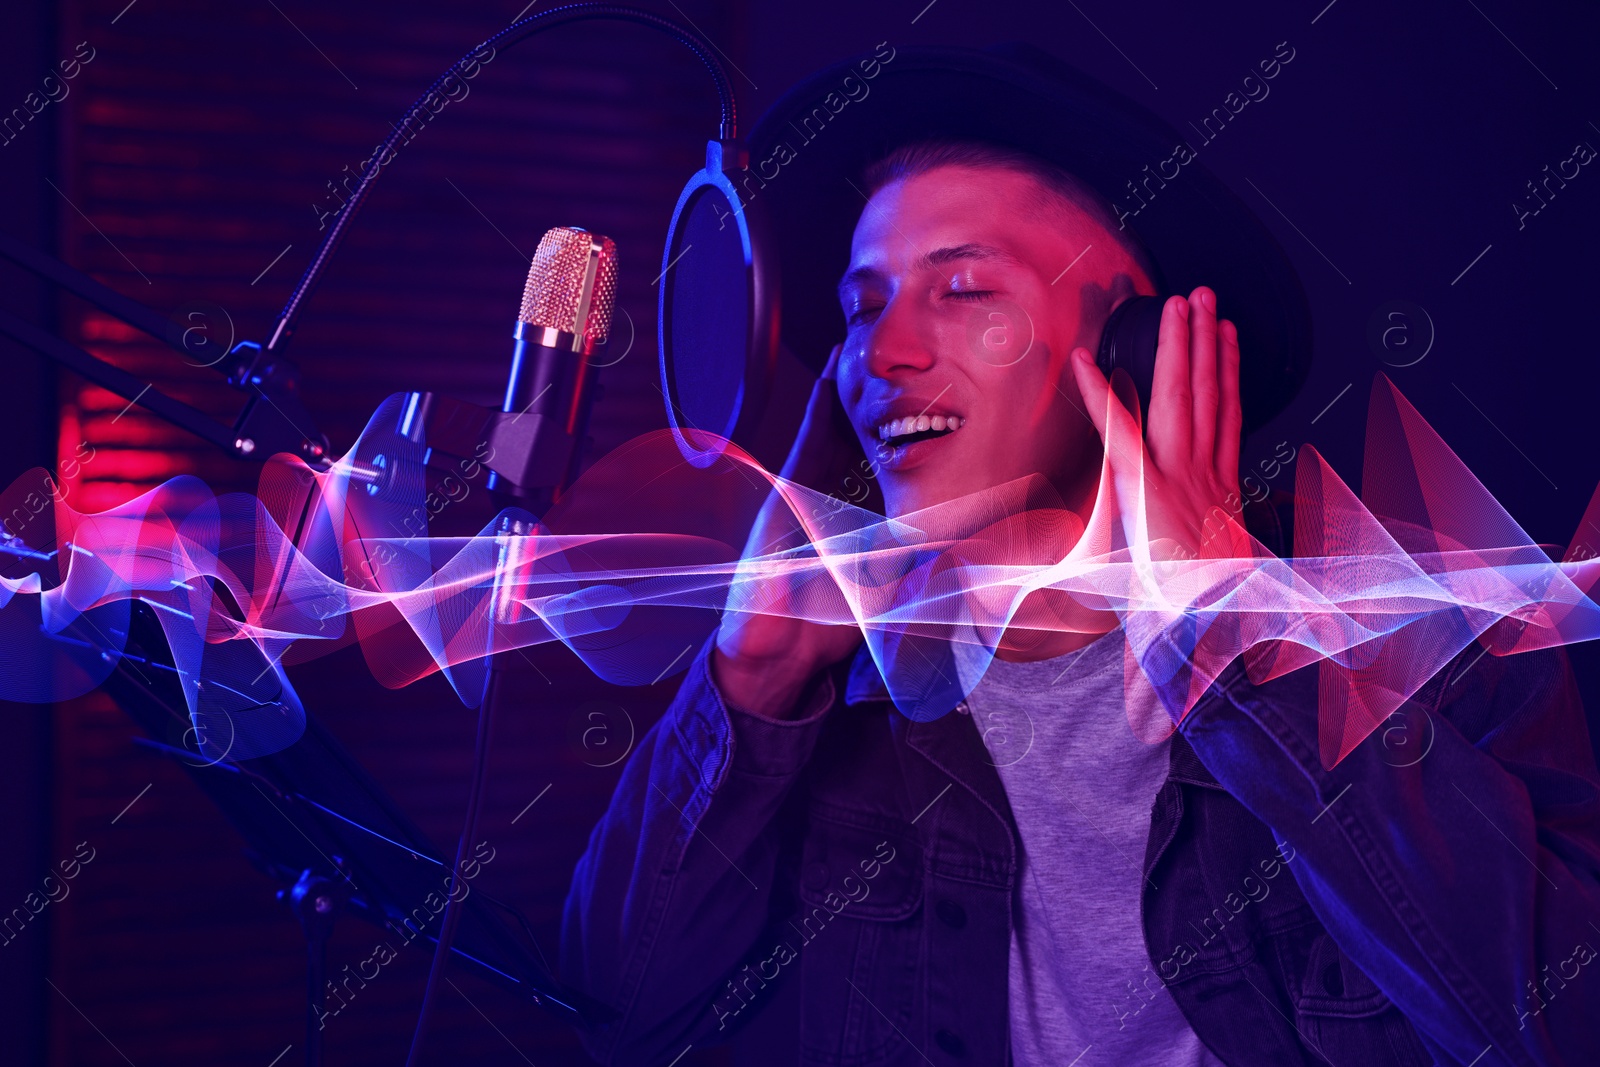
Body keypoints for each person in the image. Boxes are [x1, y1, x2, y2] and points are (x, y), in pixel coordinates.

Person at [562, 45, 1600, 1067]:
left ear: (1133, 345)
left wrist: (1232, 654)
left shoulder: (1431, 638)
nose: (883, 354)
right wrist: (749, 685)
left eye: (961, 288)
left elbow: (1556, 1028)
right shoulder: (845, 695)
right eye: (861, 307)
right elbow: (615, 1017)